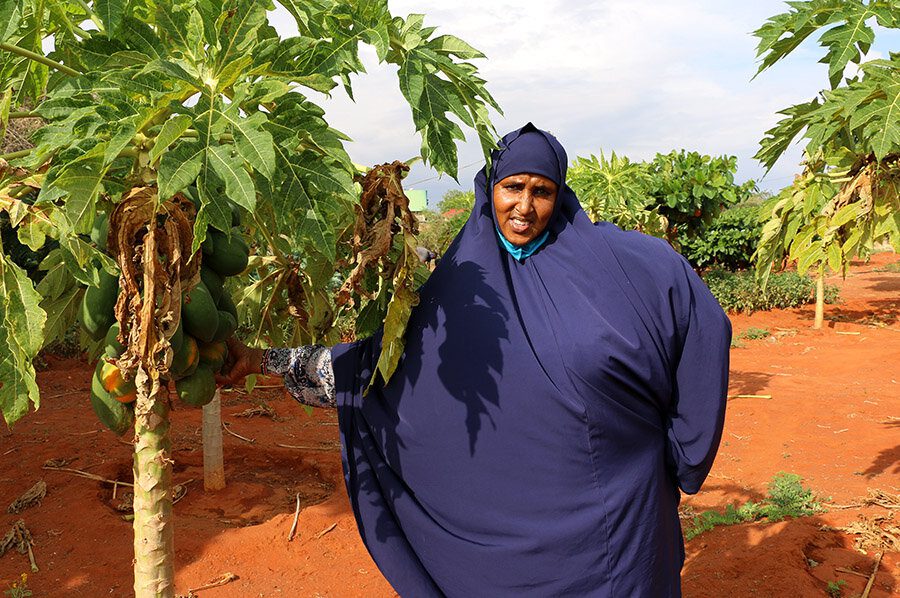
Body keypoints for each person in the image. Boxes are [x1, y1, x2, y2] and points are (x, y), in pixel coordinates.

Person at [220, 123, 731, 597]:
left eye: (542, 191)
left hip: (617, 522)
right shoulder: (462, 288)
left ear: (561, 194)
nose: (525, 207)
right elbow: (380, 368)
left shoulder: (620, 265)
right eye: (513, 187)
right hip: (501, 540)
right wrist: (264, 360)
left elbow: (702, 326)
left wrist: (682, 453)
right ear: (490, 191)